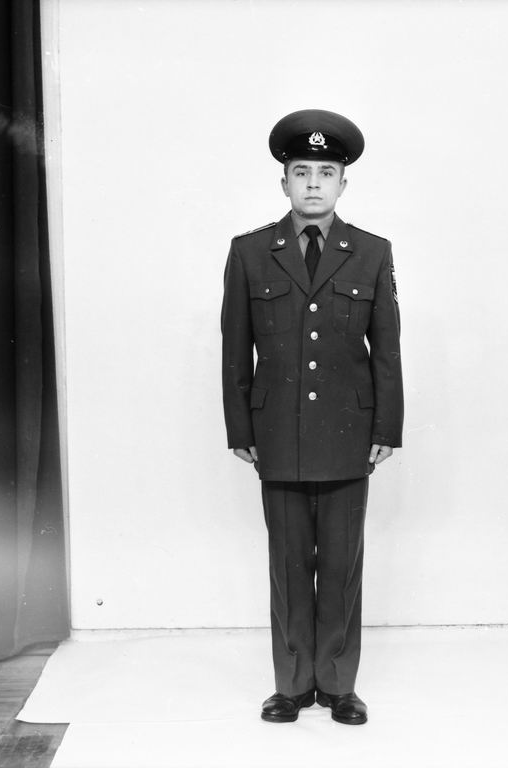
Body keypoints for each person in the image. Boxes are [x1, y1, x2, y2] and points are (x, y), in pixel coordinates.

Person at [221, 109, 403, 726]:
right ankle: (292, 685)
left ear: (343, 184)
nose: (314, 184)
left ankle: (339, 686)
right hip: (277, 435)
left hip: (350, 436)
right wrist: (241, 429)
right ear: (284, 182)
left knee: (343, 566)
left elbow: (387, 349)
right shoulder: (250, 252)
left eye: (326, 173)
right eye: (302, 173)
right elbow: (235, 347)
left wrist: (386, 429)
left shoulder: (371, 252)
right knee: (289, 565)